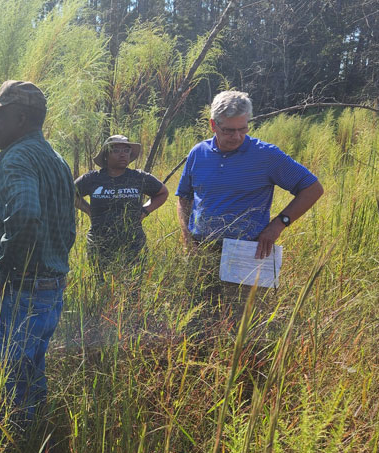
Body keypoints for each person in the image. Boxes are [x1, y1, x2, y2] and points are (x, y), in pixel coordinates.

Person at [0, 80, 76, 426]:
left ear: (20, 118)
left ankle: (6, 452)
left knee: (3, 381)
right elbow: (66, 227)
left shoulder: (17, 159)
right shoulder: (56, 160)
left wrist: (3, 271)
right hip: (50, 288)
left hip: (19, 290)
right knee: (31, 374)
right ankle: (31, 443)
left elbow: (24, 215)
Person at [176, 90, 324, 318]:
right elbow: (184, 196)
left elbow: (312, 189)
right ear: (213, 125)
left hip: (246, 252)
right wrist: (187, 238)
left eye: (243, 128)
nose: (237, 136)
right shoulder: (198, 153)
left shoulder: (266, 155)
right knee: (198, 317)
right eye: (229, 130)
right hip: (201, 250)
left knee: (243, 321)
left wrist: (278, 225)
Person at [74, 135, 169, 270]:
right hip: (100, 243)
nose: (122, 154)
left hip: (133, 244)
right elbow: (69, 193)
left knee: (133, 286)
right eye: (116, 151)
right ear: (106, 155)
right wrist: (89, 210)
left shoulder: (139, 177)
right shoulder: (92, 178)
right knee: (102, 286)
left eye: (126, 150)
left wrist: (145, 211)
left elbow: (163, 193)